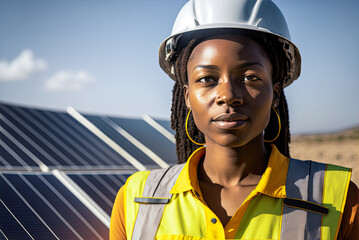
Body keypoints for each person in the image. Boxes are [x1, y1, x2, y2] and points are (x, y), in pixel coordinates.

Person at [110, 0, 358, 239]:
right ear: (186, 96)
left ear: (276, 93)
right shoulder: (136, 198)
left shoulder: (341, 198)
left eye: (250, 77)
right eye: (207, 79)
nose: (228, 96)